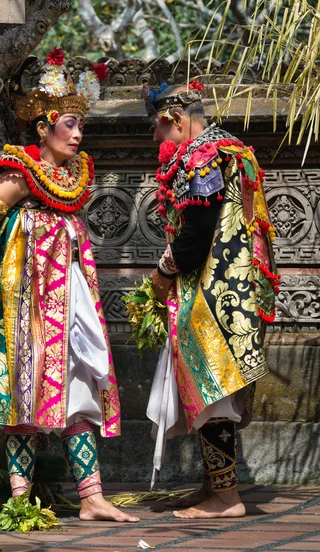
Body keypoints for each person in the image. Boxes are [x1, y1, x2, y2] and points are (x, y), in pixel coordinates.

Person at [0, 49, 138, 523]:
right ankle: (21, 501)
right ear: (43, 128)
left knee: (79, 386)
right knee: (25, 389)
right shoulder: (17, 177)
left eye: (81, 125)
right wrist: (5, 277)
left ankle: (91, 497)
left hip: (72, 304)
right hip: (27, 307)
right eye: (69, 124)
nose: (78, 134)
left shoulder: (71, 178)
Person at [143, 81, 278, 519]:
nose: (159, 142)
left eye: (159, 131)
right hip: (241, 289)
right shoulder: (234, 148)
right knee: (217, 389)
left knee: (213, 388)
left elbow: (197, 231)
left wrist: (164, 273)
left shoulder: (200, 155)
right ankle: (213, 485)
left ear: (177, 121)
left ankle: (226, 498)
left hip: (214, 291)